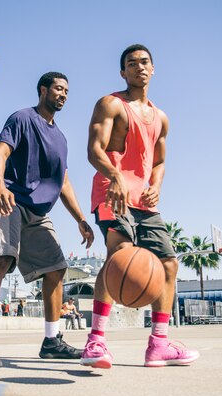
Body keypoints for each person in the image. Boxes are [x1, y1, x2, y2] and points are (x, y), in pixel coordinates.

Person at [0, 72, 95, 372]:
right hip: (8, 198)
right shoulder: (22, 118)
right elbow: (0, 151)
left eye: (67, 91)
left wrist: (81, 219)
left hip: (37, 212)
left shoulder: (60, 138)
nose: (63, 94)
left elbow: (63, 183)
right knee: (0, 259)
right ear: (43, 90)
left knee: (57, 268)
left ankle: (51, 341)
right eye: (58, 89)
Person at [81, 44, 199, 369]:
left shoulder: (161, 118)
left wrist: (155, 187)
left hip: (142, 201)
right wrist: (115, 175)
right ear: (123, 72)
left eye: (144, 62)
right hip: (111, 190)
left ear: (153, 68)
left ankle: (159, 344)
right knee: (119, 256)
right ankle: (95, 343)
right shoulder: (111, 104)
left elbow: (159, 162)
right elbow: (94, 149)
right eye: (131, 64)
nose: (139, 67)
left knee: (169, 265)